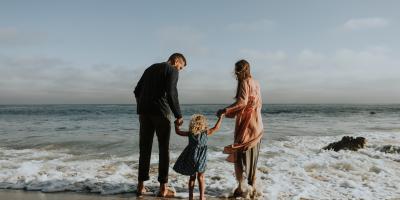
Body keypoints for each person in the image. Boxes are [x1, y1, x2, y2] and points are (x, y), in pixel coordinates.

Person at [133, 53, 186, 197]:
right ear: (176, 61)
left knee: (144, 149)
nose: (179, 70)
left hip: (144, 113)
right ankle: (163, 188)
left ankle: (140, 186)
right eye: (180, 67)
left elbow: (137, 90)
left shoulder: (150, 68)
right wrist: (178, 115)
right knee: (164, 149)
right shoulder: (172, 69)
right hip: (161, 113)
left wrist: (143, 106)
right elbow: (171, 92)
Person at [216, 59, 263, 198]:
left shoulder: (244, 82)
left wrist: (225, 110)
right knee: (252, 159)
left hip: (246, 126)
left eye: (236, 71)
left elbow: (242, 102)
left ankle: (242, 188)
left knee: (239, 156)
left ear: (240, 70)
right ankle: (252, 189)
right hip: (258, 124)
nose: (235, 75)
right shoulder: (256, 83)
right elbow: (256, 104)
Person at [173, 114, 224, 200]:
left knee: (192, 177)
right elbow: (216, 128)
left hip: (191, 157)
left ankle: (190, 197)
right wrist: (220, 118)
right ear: (203, 124)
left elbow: (178, 132)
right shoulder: (205, 132)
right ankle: (201, 197)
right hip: (201, 158)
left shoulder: (190, 133)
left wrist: (176, 125)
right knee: (201, 177)